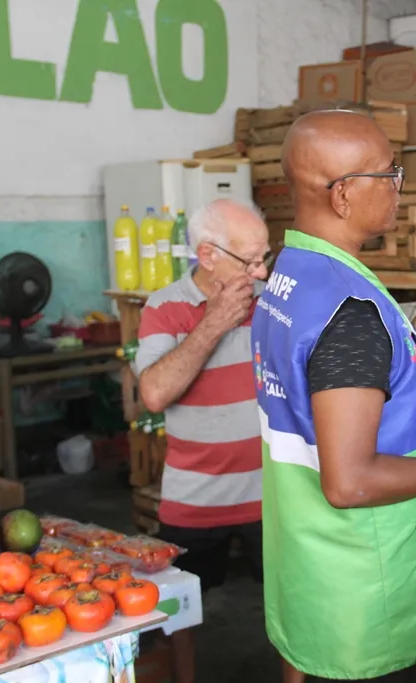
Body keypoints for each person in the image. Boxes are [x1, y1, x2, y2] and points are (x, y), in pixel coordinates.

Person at [251, 110, 416, 683]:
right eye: (388, 173)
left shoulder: (294, 273)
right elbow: (349, 482)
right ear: (345, 195)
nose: (398, 185)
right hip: (364, 588)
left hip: (312, 563)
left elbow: (318, 383)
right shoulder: (349, 312)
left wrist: (408, 344)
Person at [134, 198, 274, 683]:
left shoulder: (272, 302)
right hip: (194, 496)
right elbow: (153, 392)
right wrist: (213, 321)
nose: (260, 271)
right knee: (180, 612)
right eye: (250, 260)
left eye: (265, 258)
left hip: (271, 493)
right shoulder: (165, 308)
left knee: (291, 603)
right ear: (208, 254)